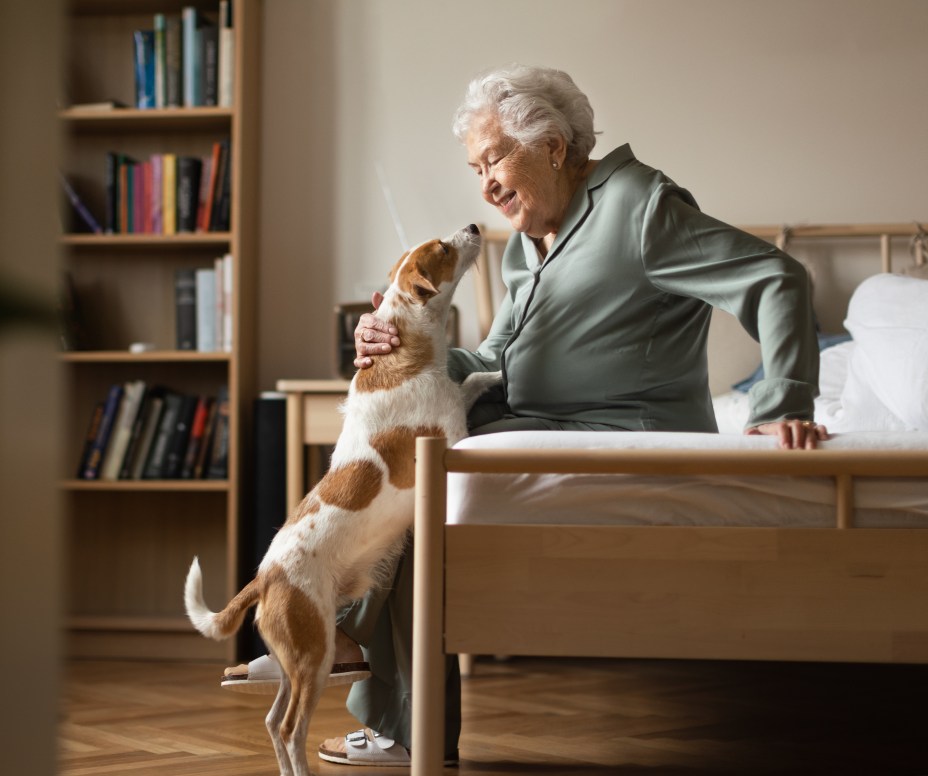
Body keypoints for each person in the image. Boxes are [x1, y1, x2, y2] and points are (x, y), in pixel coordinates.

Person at [233, 64, 829, 767]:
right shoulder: (527, 242)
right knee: (395, 449)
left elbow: (776, 278)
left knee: (433, 469)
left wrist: (782, 402)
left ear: (551, 147)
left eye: (495, 159)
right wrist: (395, 346)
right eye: (475, 167)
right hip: (532, 422)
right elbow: (492, 355)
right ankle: (342, 643)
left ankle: (363, 669)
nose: (484, 183)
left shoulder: (641, 206)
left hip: (621, 431)